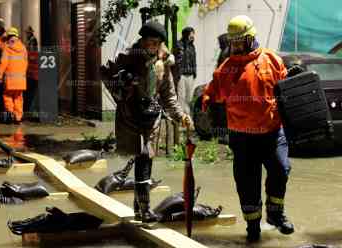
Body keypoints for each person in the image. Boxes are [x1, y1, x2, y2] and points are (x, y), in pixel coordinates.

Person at [202, 15, 294, 242]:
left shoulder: (271, 59)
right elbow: (212, 94)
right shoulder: (226, 69)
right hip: (242, 138)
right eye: (232, 42)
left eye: (239, 41)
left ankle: (275, 214)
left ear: (251, 38)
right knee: (247, 182)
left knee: (281, 169)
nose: (235, 46)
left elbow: (287, 90)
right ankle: (253, 226)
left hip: (272, 133)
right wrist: (207, 102)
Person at [101, 21, 192, 223]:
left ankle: (141, 209)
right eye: (149, 42)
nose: (152, 46)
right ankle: (144, 209)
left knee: (145, 160)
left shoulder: (164, 63)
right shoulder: (127, 58)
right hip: (130, 118)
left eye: (156, 43)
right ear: (142, 41)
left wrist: (181, 116)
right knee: (141, 156)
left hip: (151, 119)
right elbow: (107, 76)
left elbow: (168, 95)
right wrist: (123, 85)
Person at [0, 27, 28, 124]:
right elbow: (26, 63)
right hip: (21, 80)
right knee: (18, 98)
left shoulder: (7, 47)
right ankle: (18, 118)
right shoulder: (23, 48)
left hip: (10, 80)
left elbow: (3, 63)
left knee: (7, 96)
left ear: (9, 36)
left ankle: (10, 115)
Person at [173, 27, 197, 115]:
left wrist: (195, 72)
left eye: (193, 34)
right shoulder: (179, 45)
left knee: (189, 98)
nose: (193, 36)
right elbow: (177, 60)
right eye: (191, 34)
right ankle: (181, 118)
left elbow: (194, 60)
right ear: (186, 34)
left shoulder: (192, 46)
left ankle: (188, 118)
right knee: (181, 97)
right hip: (181, 75)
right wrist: (177, 74)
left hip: (190, 74)